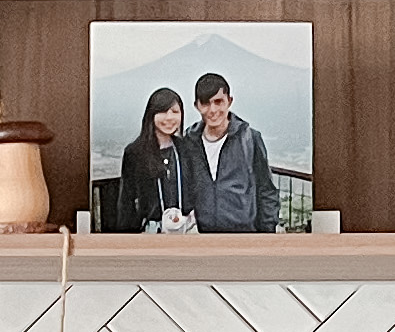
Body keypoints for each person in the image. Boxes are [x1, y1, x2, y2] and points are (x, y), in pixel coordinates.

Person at [178, 71, 280, 233]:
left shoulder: (250, 139)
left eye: (218, 102)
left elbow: (266, 190)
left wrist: (266, 233)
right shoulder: (189, 142)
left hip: (245, 235)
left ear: (229, 101)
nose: (212, 110)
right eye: (205, 103)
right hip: (203, 236)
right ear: (197, 105)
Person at [114, 86, 189, 232]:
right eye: (162, 111)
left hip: (185, 231)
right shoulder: (135, 153)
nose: (169, 117)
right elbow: (126, 202)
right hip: (151, 233)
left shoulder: (185, 148)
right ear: (151, 115)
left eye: (175, 112)